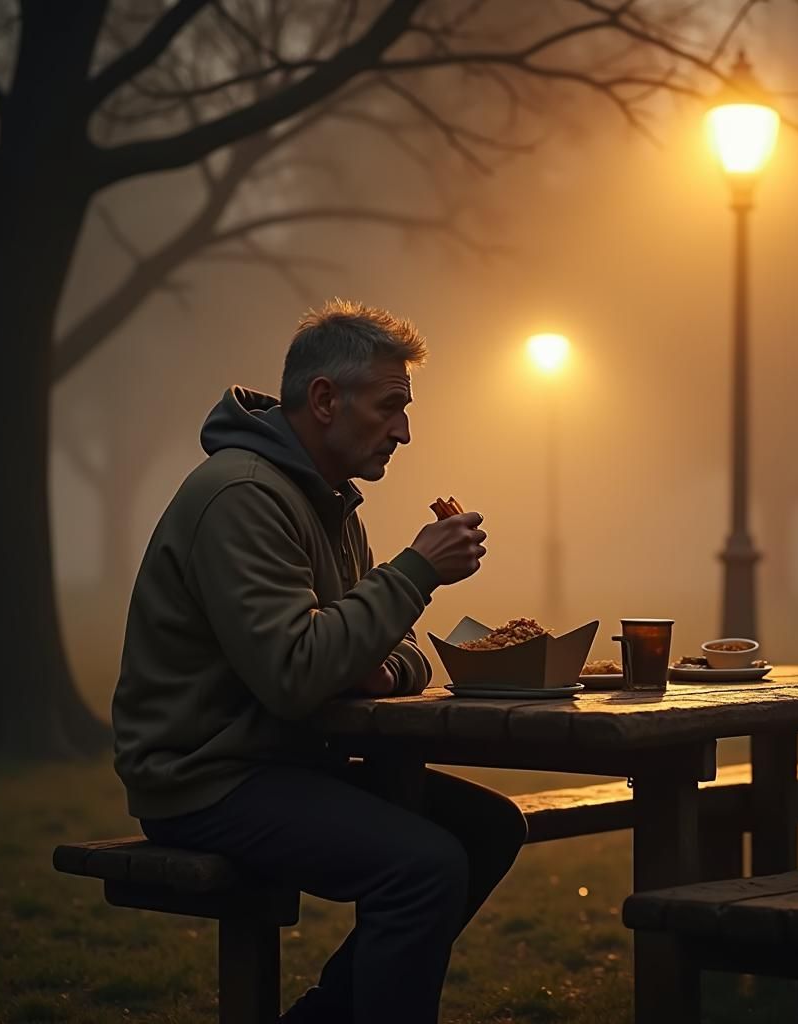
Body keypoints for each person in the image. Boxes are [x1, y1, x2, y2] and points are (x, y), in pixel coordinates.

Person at [111, 300, 527, 1024]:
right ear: (326, 400)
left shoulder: (332, 504)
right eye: (390, 405)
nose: (404, 430)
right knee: (424, 868)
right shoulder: (243, 496)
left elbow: (384, 649)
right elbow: (299, 676)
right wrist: (416, 573)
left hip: (284, 760)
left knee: (490, 829)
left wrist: (375, 660)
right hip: (207, 777)